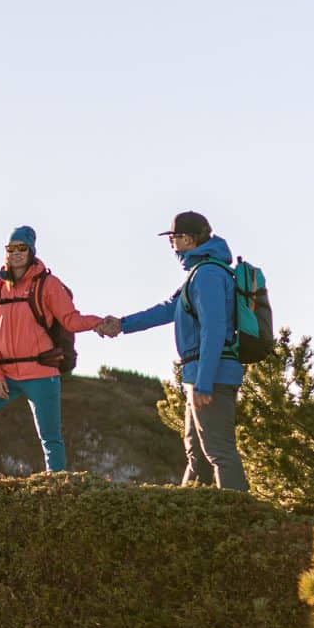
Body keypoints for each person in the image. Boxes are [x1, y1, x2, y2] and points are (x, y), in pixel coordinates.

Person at [0, 225, 112, 478]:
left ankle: (57, 488)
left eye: (22, 248)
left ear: (31, 251)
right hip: (6, 376)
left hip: (42, 374)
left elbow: (70, 320)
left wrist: (98, 323)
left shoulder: (49, 284)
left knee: (50, 438)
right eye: (11, 248)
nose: (16, 253)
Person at [107, 209, 247, 490]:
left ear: (188, 239)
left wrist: (204, 383)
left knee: (219, 452)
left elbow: (214, 330)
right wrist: (121, 325)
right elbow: (166, 310)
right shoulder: (200, 273)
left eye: (173, 238)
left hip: (211, 376)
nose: (171, 245)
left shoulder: (207, 275)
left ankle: (242, 521)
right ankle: (187, 517)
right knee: (198, 456)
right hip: (199, 375)